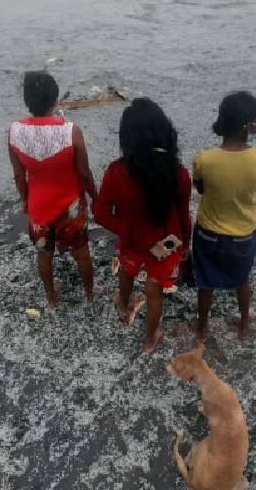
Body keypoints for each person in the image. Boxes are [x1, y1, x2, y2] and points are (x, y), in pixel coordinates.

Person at [94, 98, 192, 353]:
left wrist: (130, 231)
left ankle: (123, 304)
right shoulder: (178, 173)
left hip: (132, 240)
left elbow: (101, 214)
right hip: (168, 241)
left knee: (127, 269)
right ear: (163, 130)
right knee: (154, 290)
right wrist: (186, 245)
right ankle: (150, 339)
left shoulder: (115, 172)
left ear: (127, 138)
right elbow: (184, 216)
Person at [8, 71, 97, 307]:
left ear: (27, 101)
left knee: (43, 253)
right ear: (55, 100)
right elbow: (85, 174)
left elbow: (19, 175)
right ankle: (89, 294)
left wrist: (25, 200)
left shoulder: (15, 131)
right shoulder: (71, 131)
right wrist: (96, 198)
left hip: (39, 204)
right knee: (81, 250)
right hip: (70, 204)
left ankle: (51, 298)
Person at [192, 91, 256, 341]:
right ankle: (244, 325)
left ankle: (203, 328)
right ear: (250, 127)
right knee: (242, 280)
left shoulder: (203, 159)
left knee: (205, 282)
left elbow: (202, 189)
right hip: (242, 236)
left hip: (208, 233)